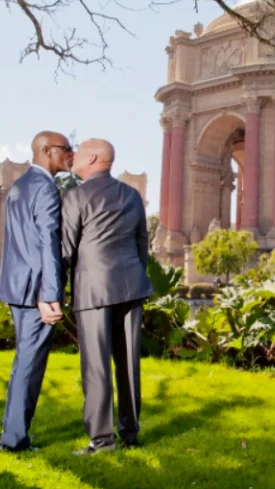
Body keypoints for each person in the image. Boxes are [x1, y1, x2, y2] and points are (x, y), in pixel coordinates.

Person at [61, 138, 154, 455]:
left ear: (95, 158)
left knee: (97, 366)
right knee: (128, 363)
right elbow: (143, 243)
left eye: (79, 155)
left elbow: (66, 249)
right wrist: (136, 276)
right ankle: (129, 432)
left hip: (93, 289)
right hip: (131, 286)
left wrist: (56, 288)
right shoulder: (132, 195)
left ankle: (101, 440)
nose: (72, 159)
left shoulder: (77, 196)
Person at [0, 131, 74, 453]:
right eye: (65, 149)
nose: (70, 154)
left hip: (17, 286)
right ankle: (13, 441)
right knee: (29, 364)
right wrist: (50, 294)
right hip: (36, 291)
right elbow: (48, 245)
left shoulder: (21, 186)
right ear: (45, 150)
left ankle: (12, 434)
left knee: (22, 362)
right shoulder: (45, 189)